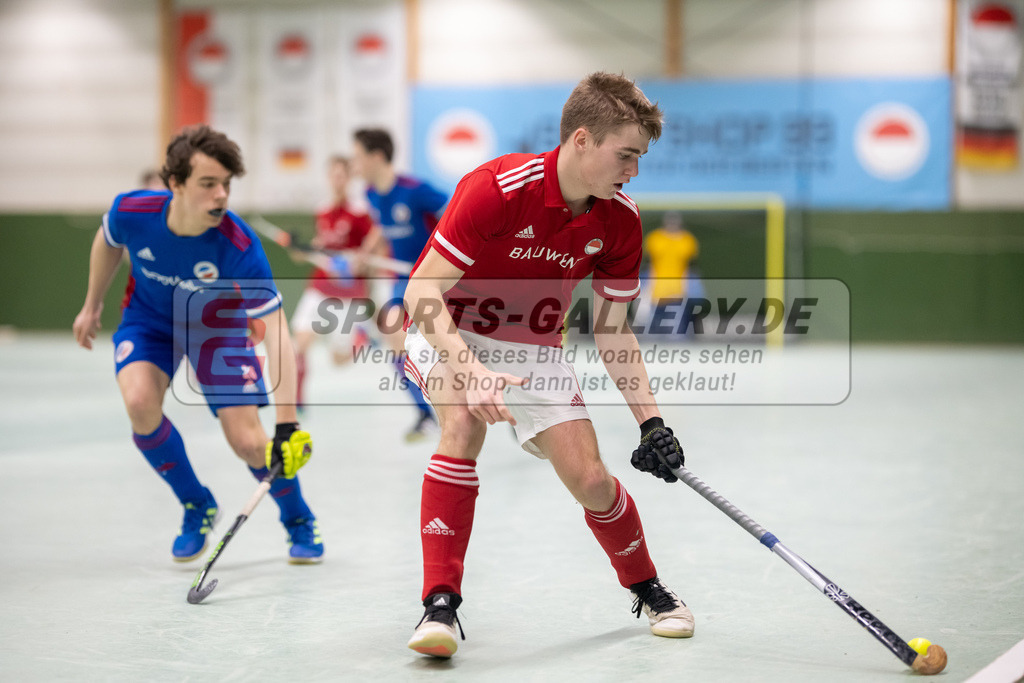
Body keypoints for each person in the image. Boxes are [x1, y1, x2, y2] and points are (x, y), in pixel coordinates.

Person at [401, 72, 692, 658]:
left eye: (639, 158)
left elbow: (612, 328)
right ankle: (439, 606)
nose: (633, 171)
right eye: (626, 155)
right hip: (447, 329)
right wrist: (473, 373)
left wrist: (651, 422)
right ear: (582, 140)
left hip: (535, 345)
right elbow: (420, 293)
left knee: (591, 480)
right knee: (462, 427)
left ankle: (648, 587)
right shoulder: (496, 188)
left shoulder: (620, 220)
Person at [73, 125, 324, 564]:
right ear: (176, 184)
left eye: (226, 184)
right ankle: (197, 505)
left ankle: (298, 518)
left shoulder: (239, 245)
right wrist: (92, 304)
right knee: (138, 402)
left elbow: (278, 332)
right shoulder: (133, 211)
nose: (221, 196)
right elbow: (107, 241)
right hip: (150, 321)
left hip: (218, 330)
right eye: (208, 184)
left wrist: (286, 425)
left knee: (249, 442)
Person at [351, 128, 449, 442]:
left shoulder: (416, 190)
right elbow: (382, 225)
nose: (356, 164)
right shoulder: (371, 193)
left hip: (437, 278)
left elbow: (453, 217)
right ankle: (424, 415)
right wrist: (365, 254)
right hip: (401, 281)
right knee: (393, 333)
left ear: (377, 157)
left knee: (462, 345)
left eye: (358, 156)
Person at [289, 155, 376, 409]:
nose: (337, 181)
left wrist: (359, 262)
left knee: (338, 359)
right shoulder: (322, 210)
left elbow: (372, 251)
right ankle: (297, 401)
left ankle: (361, 337)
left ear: (349, 178)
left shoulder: (360, 212)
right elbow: (321, 245)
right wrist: (306, 248)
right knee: (300, 343)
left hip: (347, 294)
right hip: (320, 285)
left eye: (342, 175)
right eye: (333, 175)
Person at [642, 211, 701, 340]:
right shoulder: (655, 238)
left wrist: (690, 290)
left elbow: (690, 268)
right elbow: (649, 266)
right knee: (650, 334)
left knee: (675, 335)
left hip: (677, 292)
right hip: (655, 292)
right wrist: (646, 289)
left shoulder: (687, 240)